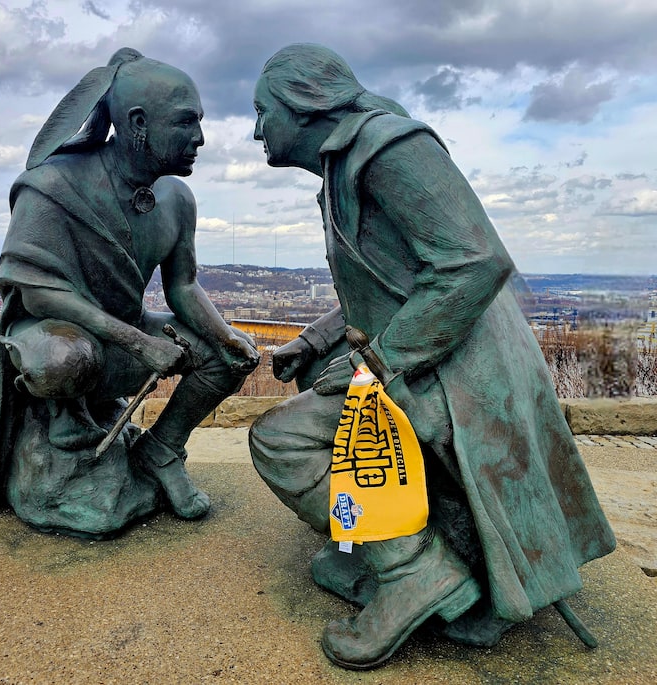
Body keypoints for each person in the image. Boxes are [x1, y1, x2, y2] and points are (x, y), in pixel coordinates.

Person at [248, 43, 615, 670]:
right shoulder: (346, 167)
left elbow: (476, 263)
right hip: (440, 354)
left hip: (460, 375)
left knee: (281, 439)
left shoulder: (388, 148)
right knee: (315, 375)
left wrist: (379, 362)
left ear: (303, 106)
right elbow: (389, 287)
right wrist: (313, 341)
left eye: (262, 112)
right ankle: (388, 548)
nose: (257, 130)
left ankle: (415, 573)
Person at [0, 48, 259, 538]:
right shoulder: (52, 186)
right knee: (67, 359)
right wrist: (140, 344)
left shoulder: (177, 200)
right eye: (186, 122)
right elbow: (38, 293)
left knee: (227, 356)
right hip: (51, 334)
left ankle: (161, 451)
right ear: (138, 122)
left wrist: (225, 336)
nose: (200, 138)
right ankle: (63, 425)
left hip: (123, 332)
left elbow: (181, 285)